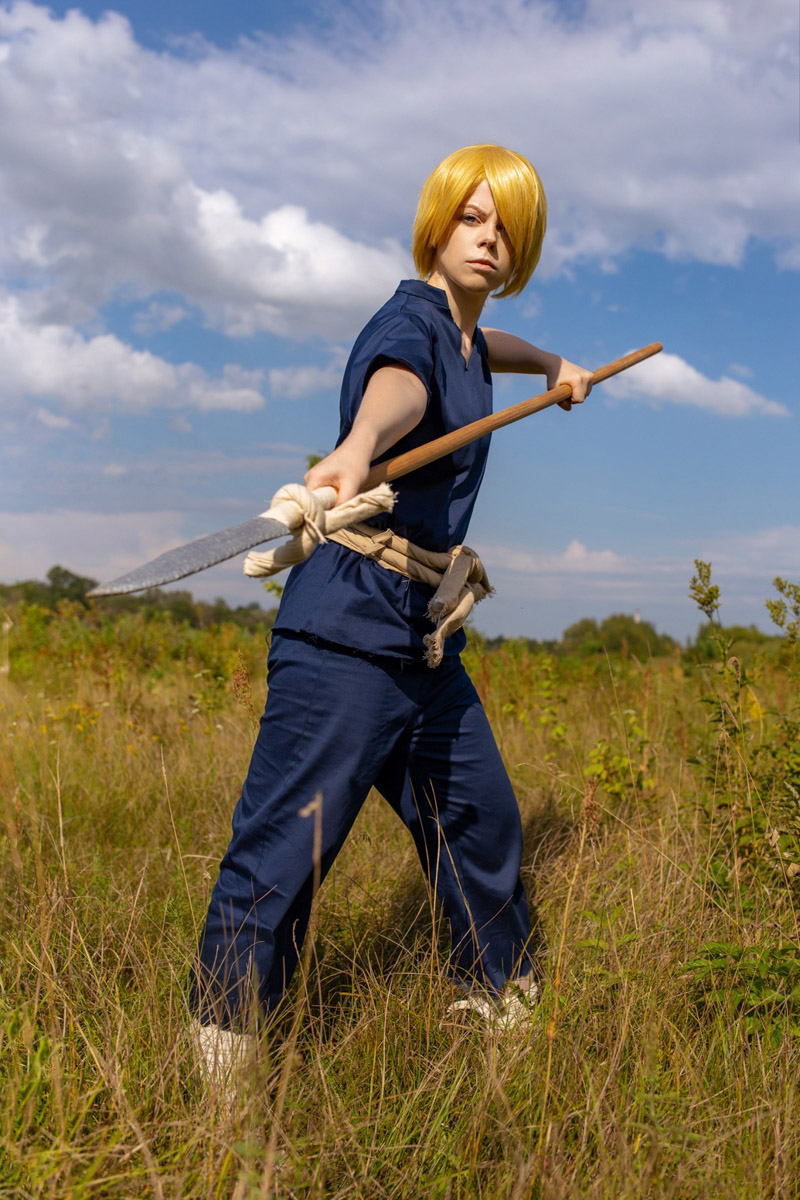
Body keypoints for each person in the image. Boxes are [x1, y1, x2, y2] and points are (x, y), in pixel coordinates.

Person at [189, 144, 592, 1076]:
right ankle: (222, 1060)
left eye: (506, 228)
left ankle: (497, 1002)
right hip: (346, 630)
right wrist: (356, 450)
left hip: (423, 638)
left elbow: (481, 346)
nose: (487, 240)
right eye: (471, 219)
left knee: (479, 817)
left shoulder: (464, 332)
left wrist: (549, 363)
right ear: (437, 223)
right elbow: (399, 389)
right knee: (287, 846)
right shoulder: (409, 325)